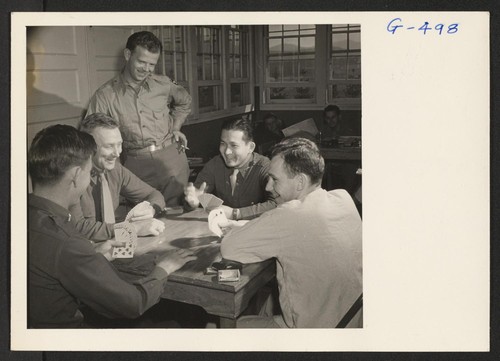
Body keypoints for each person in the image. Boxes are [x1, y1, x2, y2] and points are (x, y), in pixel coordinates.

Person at [28, 124, 196, 328]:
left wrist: (96, 256)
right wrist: (164, 268)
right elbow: (133, 304)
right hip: (70, 338)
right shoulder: (68, 241)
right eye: (88, 171)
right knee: (180, 323)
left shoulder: (26, 217)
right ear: (75, 176)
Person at [220, 137, 362, 328]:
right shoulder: (342, 198)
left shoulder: (289, 215)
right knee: (265, 306)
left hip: (315, 335)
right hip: (353, 321)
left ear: (300, 182)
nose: (268, 187)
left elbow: (229, 248)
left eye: (275, 179)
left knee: (232, 327)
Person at [86, 31, 192, 206]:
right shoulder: (104, 95)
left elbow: (184, 102)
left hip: (172, 160)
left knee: (181, 213)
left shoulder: (164, 84)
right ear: (128, 55)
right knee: (144, 217)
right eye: (141, 62)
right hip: (135, 166)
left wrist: (176, 128)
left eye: (152, 64)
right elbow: (91, 134)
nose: (147, 69)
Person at [69, 113, 167, 242]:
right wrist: (132, 228)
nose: (117, 153)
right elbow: (79, 228)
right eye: (109, 146)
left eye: (119, 144)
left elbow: (155, 194)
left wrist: (151, 208)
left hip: (110, 248)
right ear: (88, 147)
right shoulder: (73, 175)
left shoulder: (116, 170)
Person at [184, 118, 276, 220]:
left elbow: (278, 204)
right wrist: (192, 203)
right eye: (223, 143)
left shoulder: (266, 167)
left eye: (234, 145)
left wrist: (236, 213)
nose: (227, 151)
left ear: (250, 147)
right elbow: (196, 195)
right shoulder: (214, 165)